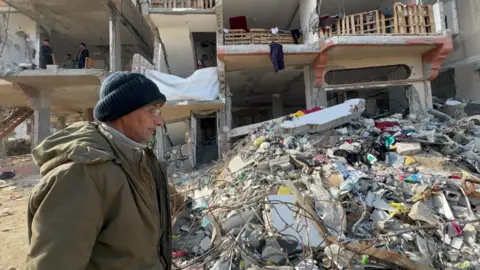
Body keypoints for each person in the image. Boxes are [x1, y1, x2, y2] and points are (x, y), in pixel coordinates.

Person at [26, 72, 184, 269]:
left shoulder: (139, 160)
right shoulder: (81, 175)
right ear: (123, 111)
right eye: (152, 110)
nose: (160, 121)